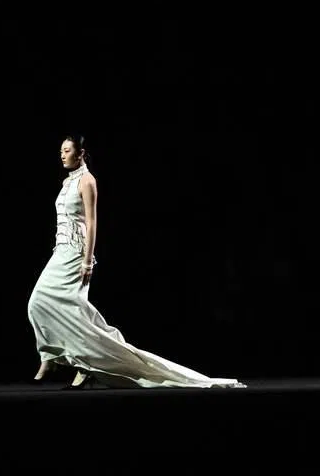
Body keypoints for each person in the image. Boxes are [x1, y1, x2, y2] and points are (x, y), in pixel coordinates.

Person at [27, 134, 243, 389]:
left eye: (66, 150)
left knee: (65, 311)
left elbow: (92, 222)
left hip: (76, 254)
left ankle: (76, 363)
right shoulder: (66, 182)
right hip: (59, 251)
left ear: (81, 153)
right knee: (40, 303)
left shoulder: (87, 181)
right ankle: (55, 355)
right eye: (61, 150)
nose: (62, 155)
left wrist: (87, 261)